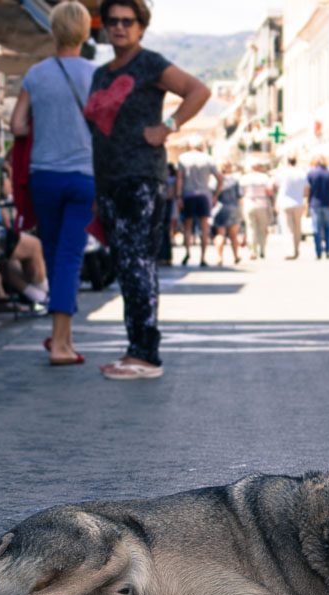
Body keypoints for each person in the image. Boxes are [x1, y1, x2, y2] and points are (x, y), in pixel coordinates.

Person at [85, 0, 209, 380]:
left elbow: (197, 91)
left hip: (141, 176)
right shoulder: (101, 75)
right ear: (104, 27)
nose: (120, 28)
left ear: (141, 27)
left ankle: (147, 354)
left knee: (138, 261)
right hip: (108, 179)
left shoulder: (150, 63)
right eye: (113, 22)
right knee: (125, 264)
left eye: (128, 21)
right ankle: (134, 347)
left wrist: (167, 126)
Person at [9, 0, 95, 365]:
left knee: (57, 253)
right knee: (70, 257)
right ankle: (61, 345)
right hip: (84, 177)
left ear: (53, 29)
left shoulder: (36, 75)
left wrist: (45, 127)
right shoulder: (97, 74)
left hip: (44, 176)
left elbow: (16, 125)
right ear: (86, 31)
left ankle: (63, 337)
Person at [177, 136, 222, 267]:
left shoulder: (183, 158)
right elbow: (220, 178)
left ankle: (187, 253)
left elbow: (179, 179)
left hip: (188, 194)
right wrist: (215, 195)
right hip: (204, 195)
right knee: (204, 227)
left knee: (187, 227)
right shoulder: (208, 159)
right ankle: (203, 257)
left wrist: (178, 196)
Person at [238, 159, 274, 260]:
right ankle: (262, 249)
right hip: (262, 203)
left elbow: (240, 194)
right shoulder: (265, 177)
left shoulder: (244, 178)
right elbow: (270, 192)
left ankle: (252, 251)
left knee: (250, 227)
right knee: (262, 228)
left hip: (248, 203)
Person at [274, 156, 307, 259]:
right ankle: (296, 250)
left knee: (288, 228)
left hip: (284, 202)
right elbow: (306, 189)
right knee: (297, 228)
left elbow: (275, 186)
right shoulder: (302, 172)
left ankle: (290, 251)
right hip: (299, 202)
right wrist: (305, 201)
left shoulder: (282, 172)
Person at [305, 156, 329, 260]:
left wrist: (306, 203)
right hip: (327, 204)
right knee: (327, 228)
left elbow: (307, 189)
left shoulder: (311, 173)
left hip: (315, 204)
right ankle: (328, 250)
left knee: (316, 229)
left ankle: (318, 251)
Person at [211, 160, 242, 266]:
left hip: (221, 208)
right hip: (233, 208)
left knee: (220, 234)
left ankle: (219, 257)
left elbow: (212, 194)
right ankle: (236, 256)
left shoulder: (216, 180)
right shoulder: (235, 180)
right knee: (234, 235)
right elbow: (240, 196)